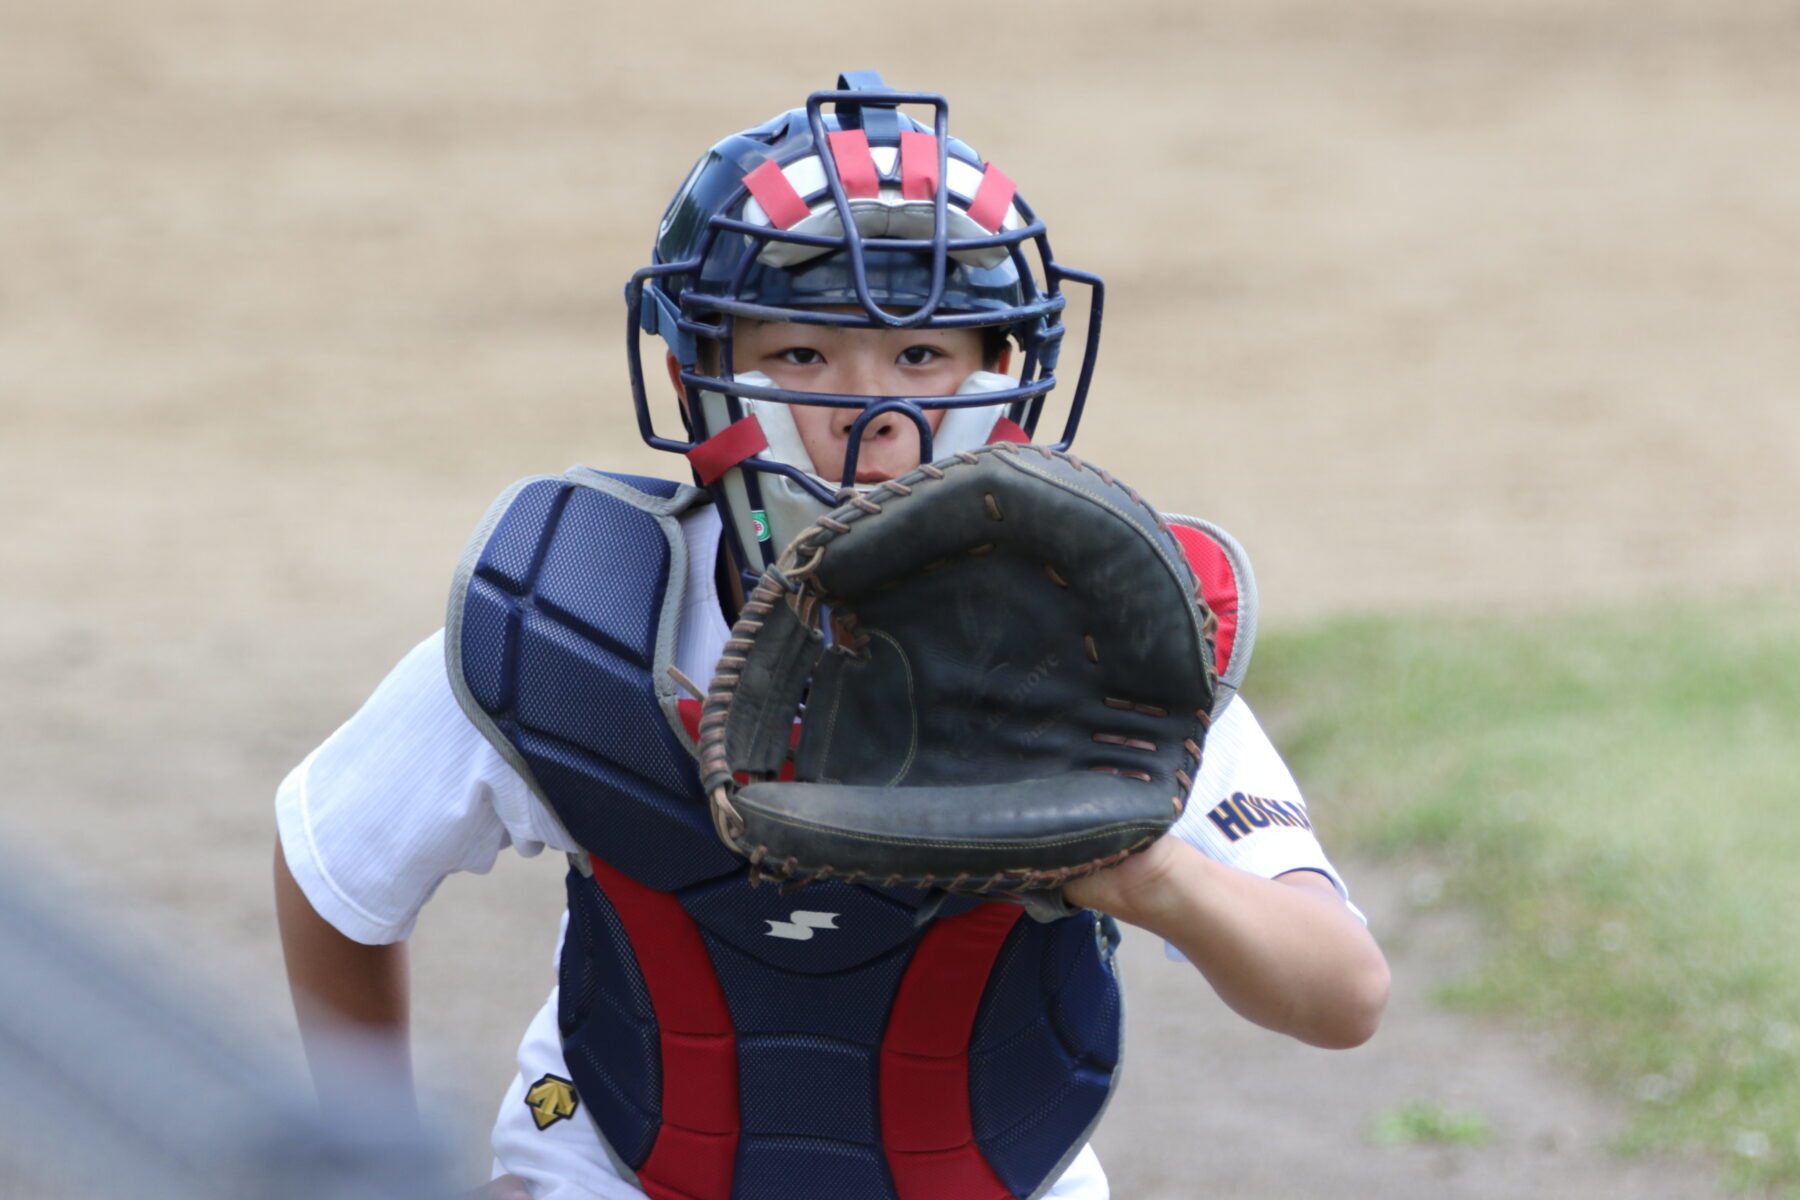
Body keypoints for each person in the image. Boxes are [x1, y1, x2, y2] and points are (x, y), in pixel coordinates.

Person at [274, 72, 1389, 1200]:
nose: (870, 416)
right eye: (803, 356)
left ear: (1003, 376)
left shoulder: (1108, 643)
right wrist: (364, 1158)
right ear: (694, 374)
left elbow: (1342, 995)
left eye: (921, 357)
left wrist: (1148, 875)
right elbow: (333, 868)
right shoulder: (576, 614)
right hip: (611, 1165)